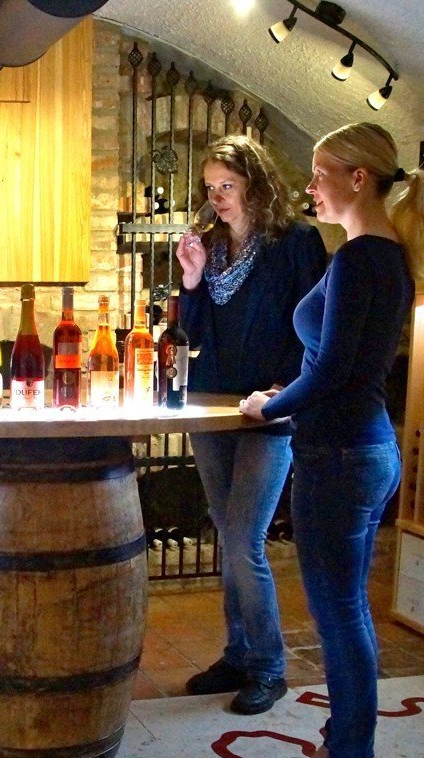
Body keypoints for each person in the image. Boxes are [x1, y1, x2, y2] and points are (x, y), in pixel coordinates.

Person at [239, 122, 424, 758]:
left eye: (321, 173)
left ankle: (351, 756)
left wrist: (269, 406)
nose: (309, 186)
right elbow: (335, 367)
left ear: (359, 178)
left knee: (342, 612)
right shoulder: (383, 254)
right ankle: (343, 740)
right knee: (346, 608)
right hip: (363, 446)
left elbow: (332, 371)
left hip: (343, 451)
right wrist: (284, 394)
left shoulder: (360, 258)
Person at [175, 135, 327, 715]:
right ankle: (237, 655)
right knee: (226, 534)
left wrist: (286, 391)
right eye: (211, 188)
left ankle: (268, 666)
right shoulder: (211, 249)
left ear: (256, 185)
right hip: (215, 406)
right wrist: (190, 283)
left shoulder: (296, 244)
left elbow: (315, 326)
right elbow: (194, 333)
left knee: (245, 541)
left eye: (228, 187)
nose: (217, 198)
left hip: (272, 408)